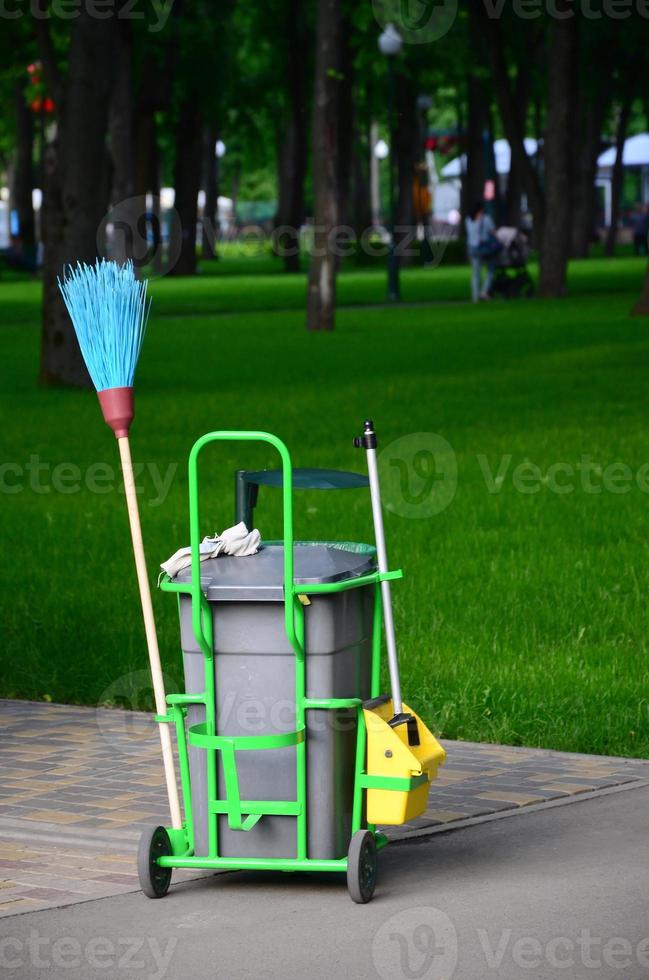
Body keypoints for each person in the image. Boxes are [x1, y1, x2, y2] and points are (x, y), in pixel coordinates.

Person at [465, 201, 500, 302]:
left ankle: (475, 298)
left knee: (475, 274)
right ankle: (484, 291)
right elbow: (493, 232)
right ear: (481, 209)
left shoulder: (468, 219)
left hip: (472, 248)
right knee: (490, 270)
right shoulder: (486, 219)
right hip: (484, 248)